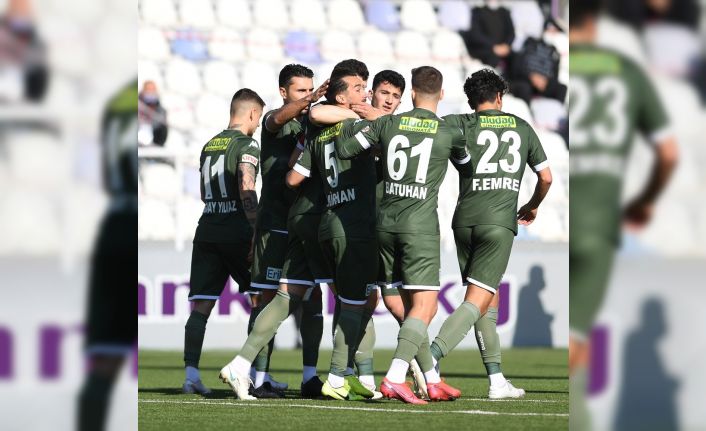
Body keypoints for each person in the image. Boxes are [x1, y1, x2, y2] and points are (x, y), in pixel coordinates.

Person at [569, 2, 678, 429]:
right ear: (596, 22)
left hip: (569, 209)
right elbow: (668, 153)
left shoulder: (563, 68)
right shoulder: (626, 70)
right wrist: (645, 199)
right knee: (578, 334)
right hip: (599, 221)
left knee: (575, 338)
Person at [336, 66, 471, 404]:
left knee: (403, 305)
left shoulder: (388, 124)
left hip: (383, 225)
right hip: (419, 227)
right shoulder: (449, 132)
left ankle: (432, 379)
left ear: (411, 94)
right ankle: (395, 377)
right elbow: (467, 167)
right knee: (425, 307)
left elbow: (346, 149)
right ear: (441, 95)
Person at [431, 68, 553, 399]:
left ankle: (497, 380)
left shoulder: (458, 123)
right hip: (497, 223)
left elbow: (426, 136)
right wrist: (532, 205)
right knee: (477, 299)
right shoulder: (521, 127)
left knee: (487, 297)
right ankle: (429, 357)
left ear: (471, 101)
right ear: (499, 97)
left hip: (464, 221)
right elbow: (546, 178)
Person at [287, 60, 378, 401]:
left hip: (328, 221)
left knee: (349, 300)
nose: (365, 93)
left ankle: (350, 374)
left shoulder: (320, 133)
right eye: (358, 88)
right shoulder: (356, 127)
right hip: (354, 226)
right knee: (355, 304)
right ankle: (339, 376)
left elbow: (293, 177)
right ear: (340, 98)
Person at [247, 64, 328, 398]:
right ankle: (258, 376)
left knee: (313, 298)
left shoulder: (313, 122)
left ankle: (310, 377)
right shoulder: (274, 122)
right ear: (284, 92)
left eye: (311, 89)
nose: (308, 97)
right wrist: (312, 101)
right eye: (301, 91)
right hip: (275, 224)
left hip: (305, 224)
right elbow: (276, 120)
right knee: (266, 300)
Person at [182, 89, 265, 396]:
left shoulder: (209, 145)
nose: (258, 124)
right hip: (237, 231)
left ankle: (191, 375)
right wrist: (255, 228)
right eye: (258, 118)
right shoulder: (247, 144)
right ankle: (255, 375)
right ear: (252, 113)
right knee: (261, 299)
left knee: (201, 306)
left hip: (207, 228)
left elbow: (204, 192)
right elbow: (246, 185)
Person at [77, 80, 137, 431]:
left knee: (104, 360)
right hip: (130, 223)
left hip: (113, 225)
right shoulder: (140, 104)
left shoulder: (115, 103)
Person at [463, 0, 515, 72]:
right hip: (484, 49)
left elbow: (511, 33)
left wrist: (506, 45)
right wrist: (493, 47)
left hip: (504, 49)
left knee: (516, 60)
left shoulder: (505, 12)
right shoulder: (478, 11)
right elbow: (476, 34)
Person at [137, 80, 168, 147]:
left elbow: (162, 135)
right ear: (143, 91)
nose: (150, 92)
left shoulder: (161, 111)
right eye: (148, 89)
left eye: (153, 90)